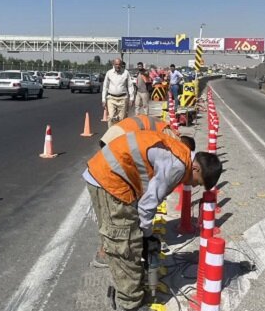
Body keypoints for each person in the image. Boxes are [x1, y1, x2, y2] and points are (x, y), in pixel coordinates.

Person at [83, 130, 222, 311]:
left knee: (130, 241)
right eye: (199, 182)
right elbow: (147, 205)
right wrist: (147, 237)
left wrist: (144, 234)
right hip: (110, 181)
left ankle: (132, 292)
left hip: (109, 175)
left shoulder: (181, 152)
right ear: (196, 169)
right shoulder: (178, 166)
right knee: (126, 248)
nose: (194, 185)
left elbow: (148, 195)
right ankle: (130, 305)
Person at [102, 58, 135, 128]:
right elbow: (105, 87)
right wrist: (103, 100)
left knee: (122, 119)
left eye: (119, 64)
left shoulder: (126, 73)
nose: (118, 66)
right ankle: (111, 135)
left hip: (123, 98)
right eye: (116, 64)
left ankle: (120, 135)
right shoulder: (109, 73)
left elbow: (130, 86)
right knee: (111, 117)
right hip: (111, 98)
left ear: (121, 65)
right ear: (113, 64)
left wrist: (132, 99)